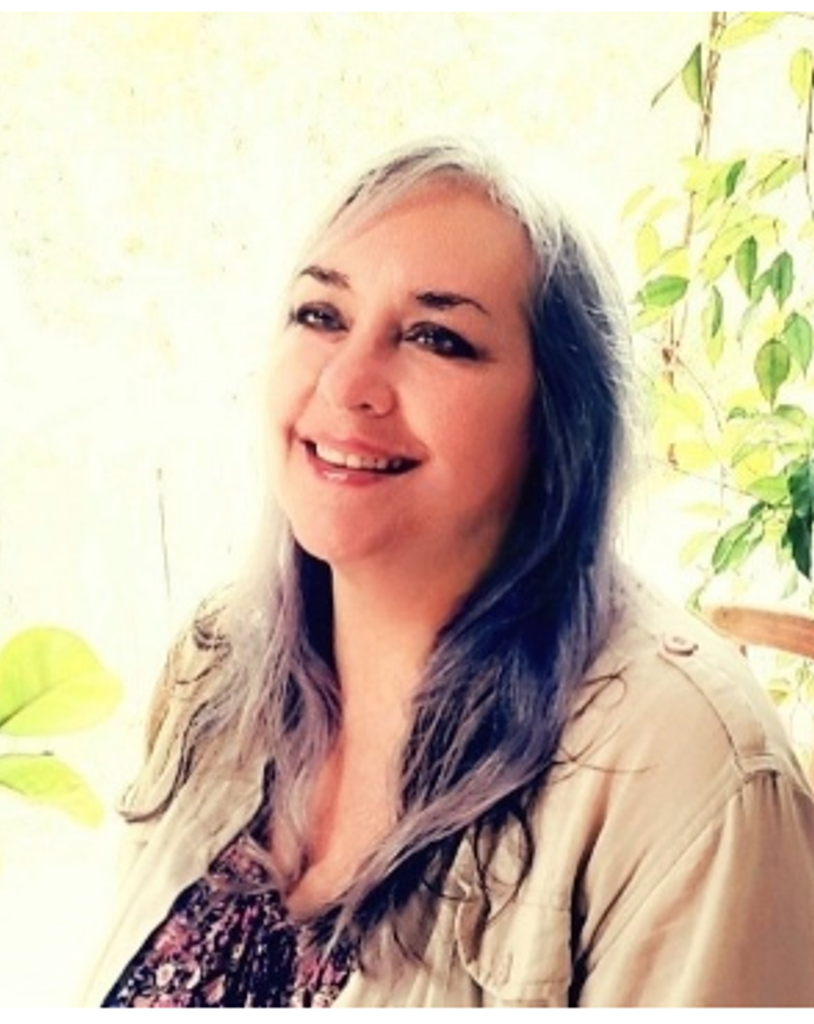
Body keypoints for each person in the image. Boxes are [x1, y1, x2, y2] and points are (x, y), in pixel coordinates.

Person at [81, 142, 814, 1007]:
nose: (347, 382)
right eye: (320, 314)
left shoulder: (685, 769)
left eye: (437, 337)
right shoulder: (214, 668)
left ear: (557, 417)